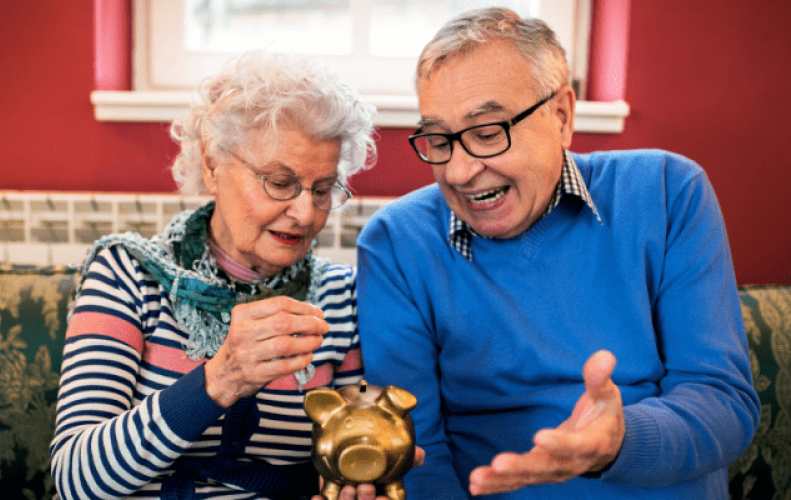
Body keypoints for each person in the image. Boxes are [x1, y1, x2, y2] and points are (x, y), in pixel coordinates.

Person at [356, 8, 759, 499]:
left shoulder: (669, 192)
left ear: (563, 116)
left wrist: (616, 442)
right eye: (440, 140)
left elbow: (722, 401)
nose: (459, 172)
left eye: (487, 133)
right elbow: (418, 450)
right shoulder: (395, 243)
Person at [50, 50, 379, 500]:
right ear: (212, 163)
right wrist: (218, 380)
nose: (305, 213)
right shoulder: (127, 275)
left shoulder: (340, 298)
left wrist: (359, 473)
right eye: (279, 183)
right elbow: (76, 480)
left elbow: (352, 445)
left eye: (322, 189)